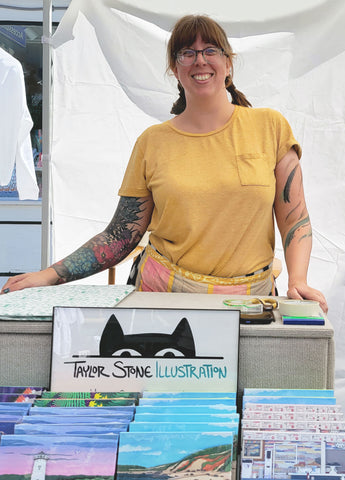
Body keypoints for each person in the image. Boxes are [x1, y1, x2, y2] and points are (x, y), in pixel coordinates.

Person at [1, 15, 328, 313]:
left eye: (210, 50)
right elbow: (120, 235)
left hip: (249, 301)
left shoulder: (270, 127)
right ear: (175, 68)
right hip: (161, 296)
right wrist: (50, 275)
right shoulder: (152, 142)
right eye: (187, 52)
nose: (200, 59)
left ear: (229, 65)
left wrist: (297, 279)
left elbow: (295, 220)